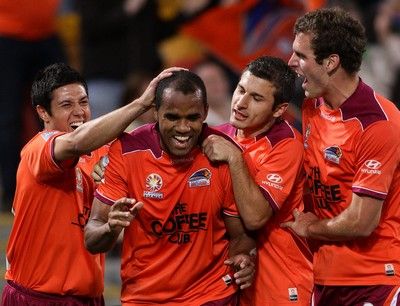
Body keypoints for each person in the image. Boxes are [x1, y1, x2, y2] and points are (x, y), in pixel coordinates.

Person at [1, 62, 181, 305]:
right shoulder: (38, 148)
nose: (79, 112)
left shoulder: (103, 153)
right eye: (66, 105)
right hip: (38, 298)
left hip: (89, 298)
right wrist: (141, 103)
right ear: (43, 112)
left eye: (83, 102)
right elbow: (76, 143)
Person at [84, 70, 256, 305]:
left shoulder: (224, 152)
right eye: (173, 117)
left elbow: (241, 234)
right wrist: (110, 228)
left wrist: (244, 256)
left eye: (193, 118)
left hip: (211, 296)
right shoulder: (127, 151)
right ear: (156, 113)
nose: (183, 128)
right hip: (146, 298)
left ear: (206, 112)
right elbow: (92, 238)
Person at [282, 7, 400, 305]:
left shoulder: (378, 123)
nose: (291, 62)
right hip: (324, 277)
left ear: (331, 62)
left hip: (373, 279)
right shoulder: (312, 106)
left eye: (301, 55)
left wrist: (309, 228)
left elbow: (362, 222)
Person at [202, 56, 313, 305]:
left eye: (257, 98)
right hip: (231, 282)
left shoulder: (286, 146)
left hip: (282, 284)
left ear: (279, 109)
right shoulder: (218, 135)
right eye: (241, 90)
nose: (241, 103)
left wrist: (234, 156)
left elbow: (255, 217)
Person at [0, 0, 66, 211]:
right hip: (7, 34)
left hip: (46, 32)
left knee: (59, 111)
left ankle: (61, 183)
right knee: (8, 119)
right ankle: (13, 193)